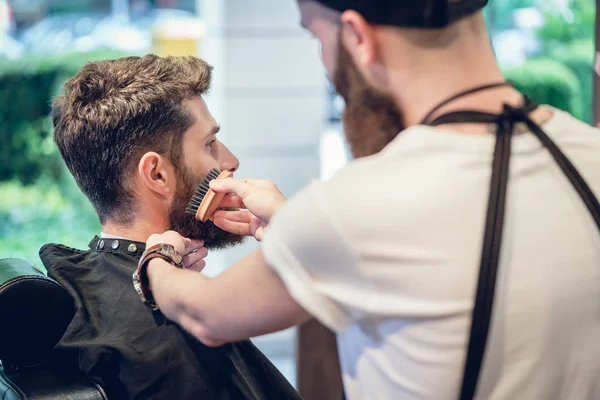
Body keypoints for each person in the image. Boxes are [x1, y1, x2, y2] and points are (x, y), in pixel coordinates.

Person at [138, 1, 600, 399]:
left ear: (358, 36)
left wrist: (156, 257)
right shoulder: (590, 155)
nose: (325, 62)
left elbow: (206, 314)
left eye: (318, 37)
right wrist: (292, 226)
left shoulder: (357, 205)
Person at [42, 54, 301, 400]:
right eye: (210, 144)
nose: (231, 161)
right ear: (157, 175)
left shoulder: (88, 287)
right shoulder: (165, 339)